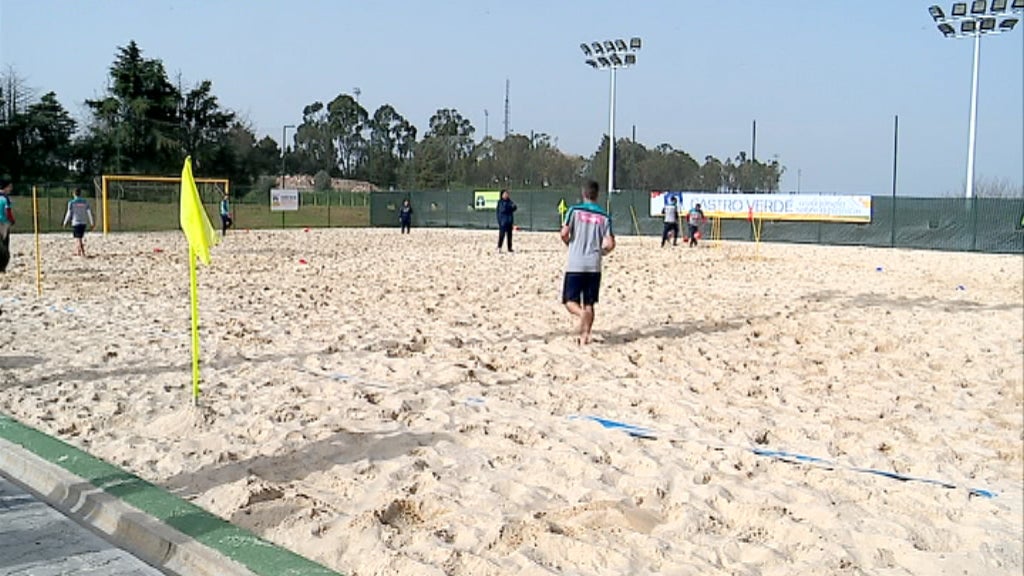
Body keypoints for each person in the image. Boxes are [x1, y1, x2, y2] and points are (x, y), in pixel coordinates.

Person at [561, 180, 615, 345]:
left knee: (570, 301)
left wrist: (568, 243)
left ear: (583, 193)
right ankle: (585, 336)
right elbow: (610, 244)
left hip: (576, 262)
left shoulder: (574, 211)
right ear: (597, 195)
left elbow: (564, 233)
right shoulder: (604, 216)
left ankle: (580, 314)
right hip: (594, 264)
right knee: (589, 303)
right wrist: (602, 252)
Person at [62, 188, 95, 257]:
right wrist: (92, 223)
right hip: (83, 222)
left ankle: (82, 252)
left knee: (78, 238)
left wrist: (65, 222)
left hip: (76, 222)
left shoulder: (71, 203)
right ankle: (78, 252)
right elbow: (89, 213)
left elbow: (69, 213)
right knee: (79, 237)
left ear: (74, 194)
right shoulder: (85, 202)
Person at [0, 178, 14, 273]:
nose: (11, 189)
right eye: (10, 187)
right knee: (4, 245)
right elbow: (7, 211)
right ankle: (2, 266)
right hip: (3, 223)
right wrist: (12, 220)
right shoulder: (5, 198)